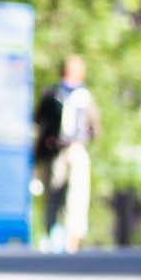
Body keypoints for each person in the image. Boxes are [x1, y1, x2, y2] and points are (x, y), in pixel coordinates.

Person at [33, 55, 98, 253]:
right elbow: (39, 122)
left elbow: (94, 126)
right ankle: (52, 237)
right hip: (56, 152)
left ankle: (72, 242)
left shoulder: (84, 96)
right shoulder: (52, 94)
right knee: (54, 195)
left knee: (77, 197)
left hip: (76, 150)